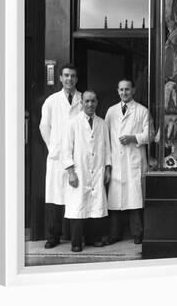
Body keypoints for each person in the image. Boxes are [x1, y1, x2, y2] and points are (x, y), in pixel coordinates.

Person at [61, 91, 111, 252]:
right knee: (78, 206)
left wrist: (108, 168)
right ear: (81, 103)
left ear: (97, 103)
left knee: (95, 206)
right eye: (87, 101)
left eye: (93, 101)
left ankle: (93, 238)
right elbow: (66, 150)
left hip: (97, 170)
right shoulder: (73, 123)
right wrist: (71, 172)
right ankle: (76, 242)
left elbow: (107, 148)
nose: (90, 104)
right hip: (79, 171)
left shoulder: (102, 123)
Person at [39, 63, 82, 249]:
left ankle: (76, 239)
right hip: (57, 158)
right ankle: (53, 236)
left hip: (76, 156)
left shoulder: (83, 99)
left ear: (76, 79)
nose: (69, 79)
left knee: (76, 198)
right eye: (66, 75)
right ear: (60, 78)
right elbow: (43, 126)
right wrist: (53, 148)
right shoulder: (51, 101)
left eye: (73, 76)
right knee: (55, 198)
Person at [105, 79, 152, 245]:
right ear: (117, 91)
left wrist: (133, 138)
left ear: (133, 90)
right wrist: (108, 165)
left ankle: (137, 233)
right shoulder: (111, 112)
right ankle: (114, 234)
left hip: (134, 160)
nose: (124, 92)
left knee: (134, 199)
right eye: (121, 90)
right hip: (117, 162)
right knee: (115, 200)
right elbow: (106, 139)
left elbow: (150, 135)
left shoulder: (142, 111)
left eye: (127, 89)